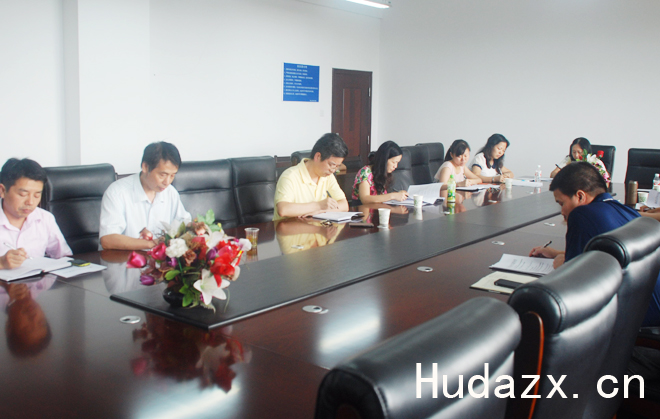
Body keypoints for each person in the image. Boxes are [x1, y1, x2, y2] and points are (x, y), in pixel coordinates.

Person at [529, 162, 639, 269]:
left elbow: (575, 271)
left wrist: (564, 264)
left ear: (580, 196)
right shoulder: (628, 211)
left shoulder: (581, 215)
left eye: (562, 203)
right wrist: (556, 253)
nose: (562, 211)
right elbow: (605, 254)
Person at [99, 141, 191, 250]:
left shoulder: (170, 192)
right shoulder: (117, 192)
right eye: (162, 175)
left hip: (160, 259)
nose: (167, 182)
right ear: (145, 167)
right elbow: (108, 239)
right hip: (124, 259)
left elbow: (184, 225)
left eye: (172, 176)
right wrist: (152, 244)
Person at [0, 158, 72, 270]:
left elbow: (64, 257)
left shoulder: (45, 218)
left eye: (37, 195)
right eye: (23, 194)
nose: (30, 202)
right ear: (2, 191)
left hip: (37, 281)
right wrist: (1, 263)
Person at [273, 133, 349, 220]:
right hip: (289, 228)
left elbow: (344, 205)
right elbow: (283, 209)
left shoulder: (328, 176)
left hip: (315, 226)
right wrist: (319, 205)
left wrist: (321, 211)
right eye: (332, 165)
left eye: (337, 166)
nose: (333, 170)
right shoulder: (290, 176)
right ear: (318, 156)